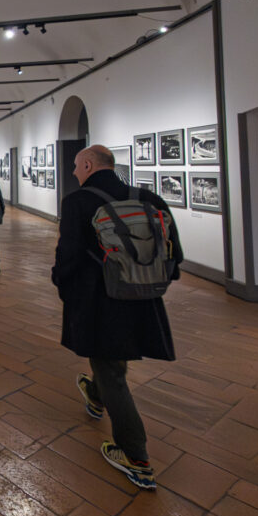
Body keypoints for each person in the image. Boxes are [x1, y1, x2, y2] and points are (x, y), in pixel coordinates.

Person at [51, 144, 183, 490]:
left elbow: (69, 256)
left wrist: (63, 287)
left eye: (77, 166)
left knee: (111, 368)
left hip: (100, 300)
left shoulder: (78, 202)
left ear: (90, 164)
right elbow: (175, 254)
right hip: (144, 298)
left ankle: (136, 456)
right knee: (110, 359)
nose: (75, 172)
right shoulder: (149, 198)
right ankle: (94, 394)